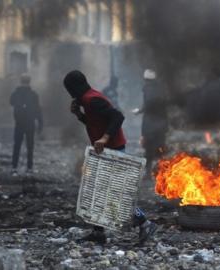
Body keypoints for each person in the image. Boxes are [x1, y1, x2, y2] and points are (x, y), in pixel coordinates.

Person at [63, 70, 156, 244]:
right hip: (105, 151)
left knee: (116, 194)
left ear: (72, 89)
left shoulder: (92, 100)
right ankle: (98, 233)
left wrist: (105, 138)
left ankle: (145, 223)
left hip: (113, 150)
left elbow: (117, 116)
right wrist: (79, 115)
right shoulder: (88, 100)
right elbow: (95, 122)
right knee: (98, 193)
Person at [133, 69, 168, 180]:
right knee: (160, 148)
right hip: (161, 123)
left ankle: (148, 174)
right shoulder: (161, 88)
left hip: (151, 125)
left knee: (149, 149)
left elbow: (148, 105)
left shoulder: (147, 88)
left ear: (145, 79)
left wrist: (139, 111)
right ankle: (163, 173)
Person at [10, 74, 43, 175]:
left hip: (19, 123)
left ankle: (14, 167)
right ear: (29, 82)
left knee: (17, 146)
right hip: (30, 123)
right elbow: (38, 110)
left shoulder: (15, 93)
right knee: (30, 146)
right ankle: (29, 167)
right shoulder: (34, 94)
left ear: (21, 81)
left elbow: (11, 102)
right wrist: (40, 124)